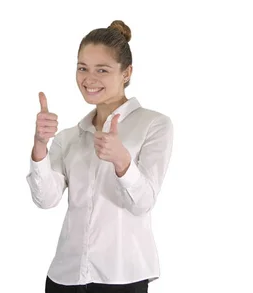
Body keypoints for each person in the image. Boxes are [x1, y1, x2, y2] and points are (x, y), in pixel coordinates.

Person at [26, 20, 174, 293]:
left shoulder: (154, 125)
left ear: (126, 73)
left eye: (102, 70)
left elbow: (144, 202)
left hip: (121, 277)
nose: (89, 79)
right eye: (82, 68)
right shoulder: (69, 137)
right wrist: (39, 147)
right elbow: (46, 200)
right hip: (65, 277)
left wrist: (122, 161)